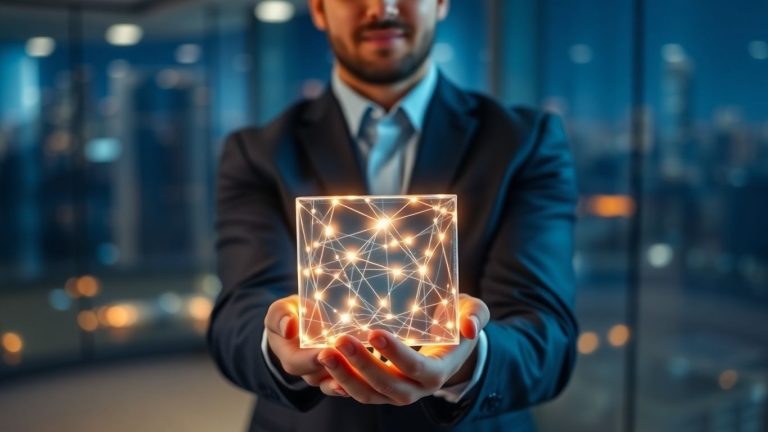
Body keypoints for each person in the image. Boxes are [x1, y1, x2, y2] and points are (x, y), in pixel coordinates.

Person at [207, 0, 578, 430]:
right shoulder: (257, 153)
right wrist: (279, 347)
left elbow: (547, 336)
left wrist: (467, 362)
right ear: (318, 8)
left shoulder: (526, 144)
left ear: (440, 3)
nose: (380, 8)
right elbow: (237, 317)